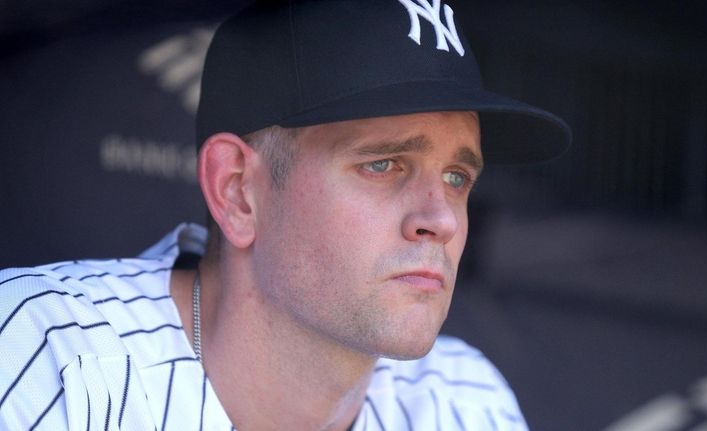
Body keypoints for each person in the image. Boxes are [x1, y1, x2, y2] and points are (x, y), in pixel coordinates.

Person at [0, 1, 570, 429]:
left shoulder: (464, 400)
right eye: (383, 164)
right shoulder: (43, 351)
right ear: (237, 191)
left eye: (456, 177)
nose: (440, 220)